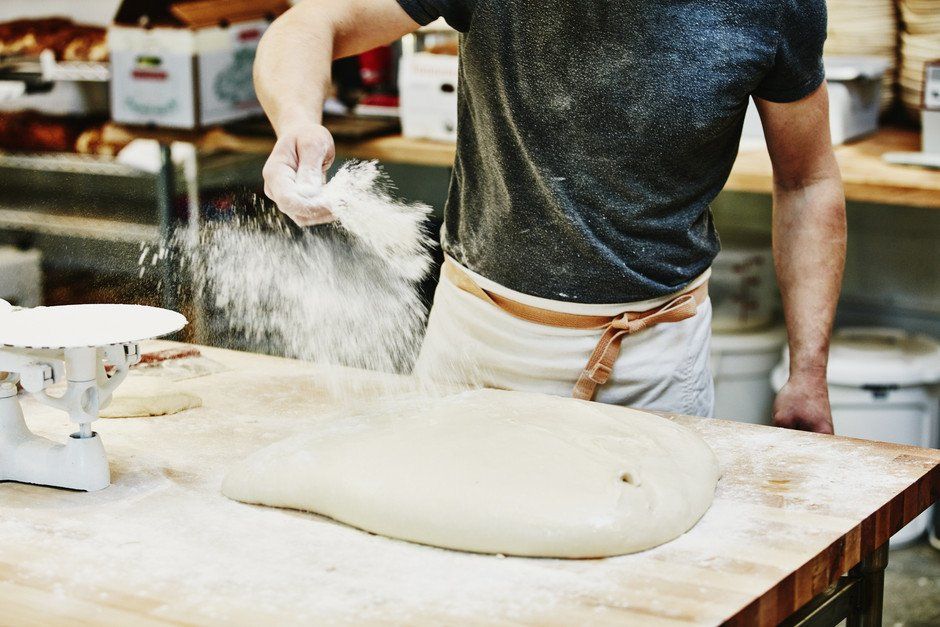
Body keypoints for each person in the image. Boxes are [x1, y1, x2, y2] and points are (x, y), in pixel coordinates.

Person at [255, 0, 846, 433]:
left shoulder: (771, 9)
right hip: (476, 344)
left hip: (649, 365)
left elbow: (808, 181)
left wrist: (808, 373)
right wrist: (298, 121)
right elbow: (310, 23)